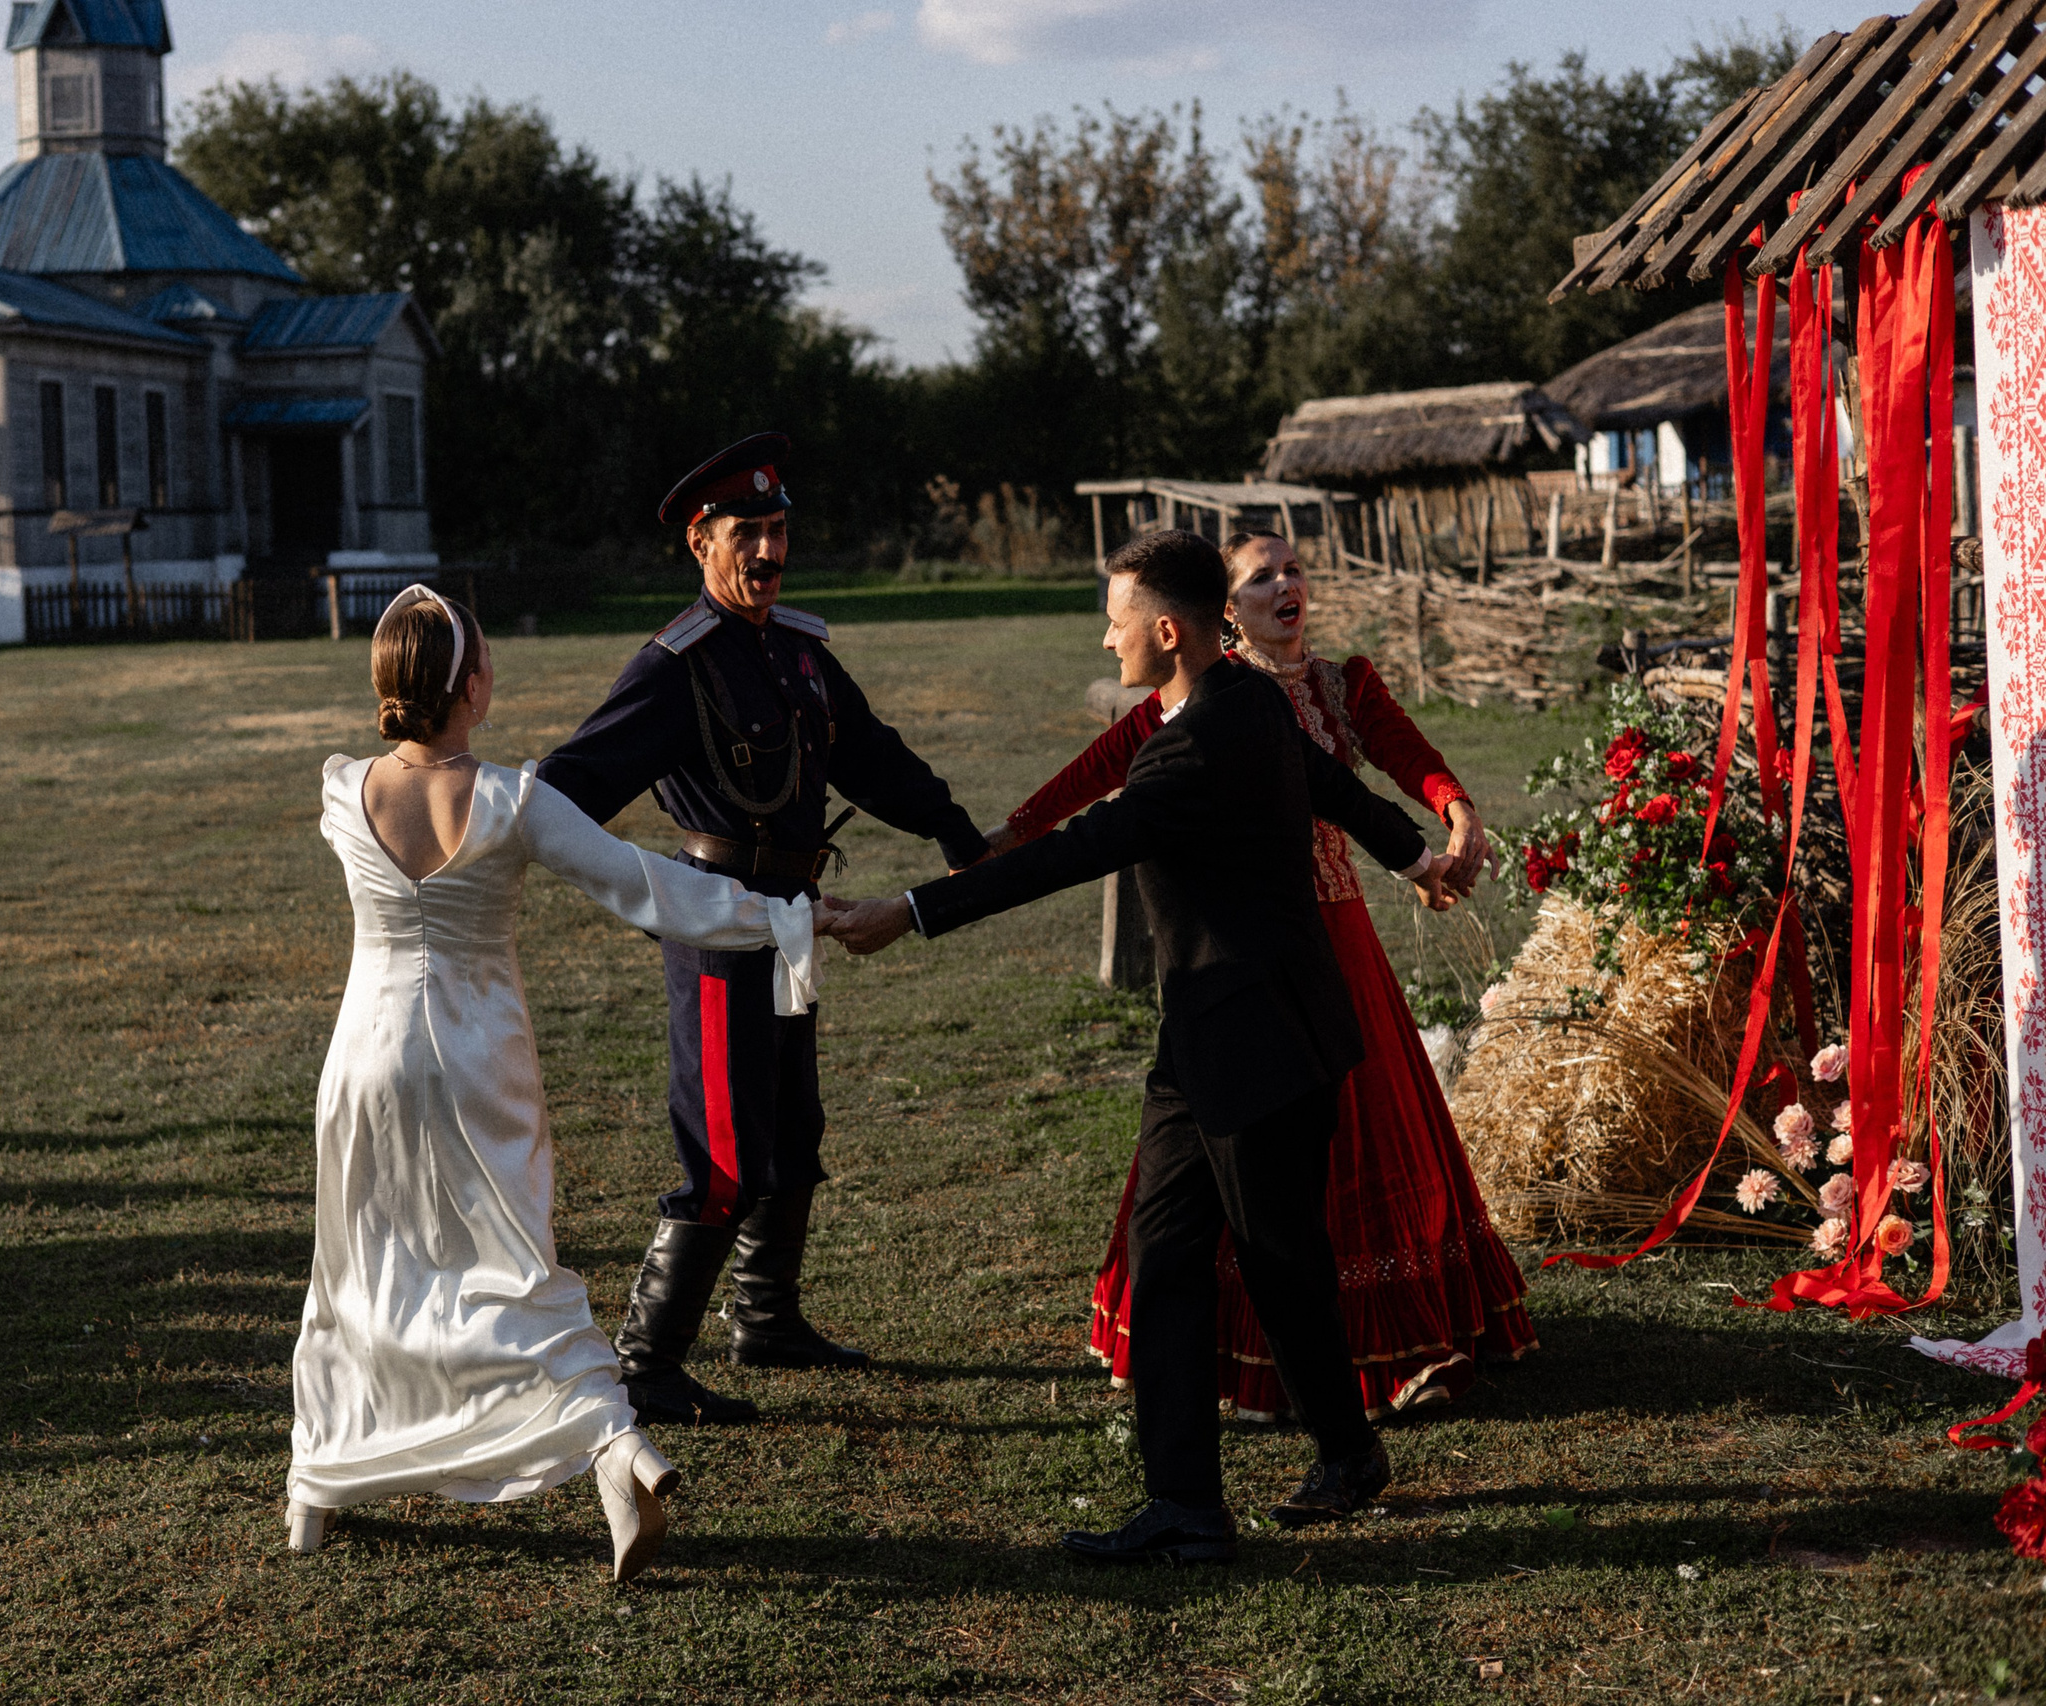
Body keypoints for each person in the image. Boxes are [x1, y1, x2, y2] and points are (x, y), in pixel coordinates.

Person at [823, 530, 1456, 1566]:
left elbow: (1073, 853)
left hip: (1257, 1050)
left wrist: (908, 911)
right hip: (1211, 1043)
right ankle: (1189, 1503)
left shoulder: (1196, 743)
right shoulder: (1247, 699)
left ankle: (1341, 1453)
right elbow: (1325, 781)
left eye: (1116, 616)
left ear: (1166, 631)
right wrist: (1410, 852)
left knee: (1278, 1258)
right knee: (1172, 1253)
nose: (1104, 632)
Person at [285, 584, 830, 1584]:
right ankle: (614, 1446)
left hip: (364, 1059)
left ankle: (317, 1484)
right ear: (475, 688)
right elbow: (648, 885)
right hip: (479, 1061)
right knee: (513, 1272)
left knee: (361, 1258)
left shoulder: (341, 790)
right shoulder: (511, 800)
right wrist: (784, 915)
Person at [994, 531, 1537, 1418]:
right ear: (1225, 612)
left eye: (1294, 570)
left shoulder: (1341, 683)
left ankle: (1404, 1340)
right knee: (1250, 1166)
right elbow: (1081, 787)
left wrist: (1456, 810)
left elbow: (1400, 759)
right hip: (1249, 954)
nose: (1286, 586)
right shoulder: (1208, 701)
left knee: (1376, 1141)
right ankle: (1265, 1355)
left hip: (1343, 944)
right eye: (1261, 579)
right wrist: (992, 844)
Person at [535, 433, 992, 1426]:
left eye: (778, 530)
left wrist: (951, 824)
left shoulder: (795, 648)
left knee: (794, 1126)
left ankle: (765, 1317)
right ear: (700, 541)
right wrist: (642, 887)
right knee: (728, 1147)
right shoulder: (673, 665)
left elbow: (867, 753)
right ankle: (647, 1362)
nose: (767, 552)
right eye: (747, 532)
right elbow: (563, 792)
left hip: (791, 919)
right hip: (712, 922)